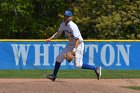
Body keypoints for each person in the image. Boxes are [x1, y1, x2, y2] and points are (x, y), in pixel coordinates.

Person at [46, 10, 101, 81]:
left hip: (79, 45)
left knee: (78, 65)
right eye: (65, 16)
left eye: (67, 16)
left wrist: (74, 51)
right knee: (58, 58)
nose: (65, 17)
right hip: (71, 44)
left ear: (70, 17)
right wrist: (51, 38)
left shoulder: (73, 26)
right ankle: (54, 76)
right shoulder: (62, 24)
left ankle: (96, 69)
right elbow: (58, 33)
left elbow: (77, 39)